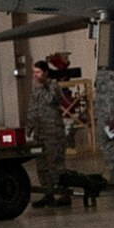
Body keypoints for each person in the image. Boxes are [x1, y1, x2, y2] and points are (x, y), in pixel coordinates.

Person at [27, 61, 71, 207]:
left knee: (55, 164)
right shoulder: (35, 88)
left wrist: (40, 86)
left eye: (38, 72)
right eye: (34, 73)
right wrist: (29, 128)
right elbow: (33, 108)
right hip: (40, 132)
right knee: (42, 166)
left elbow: (51, 99)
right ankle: (48, 194)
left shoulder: (53, 86)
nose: (35, 76)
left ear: (45, 73)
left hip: (53, 132)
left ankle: (64, 194)